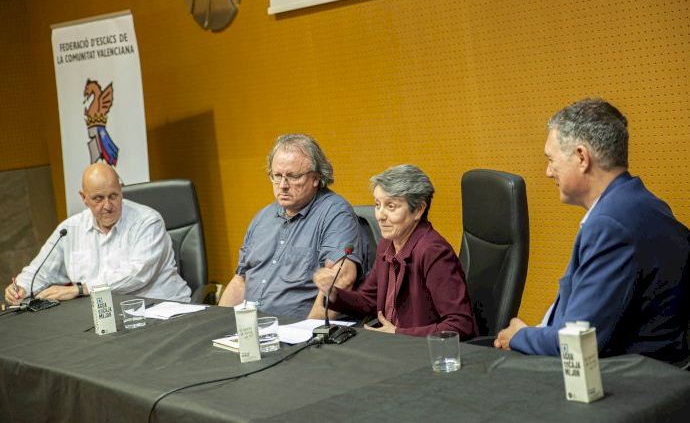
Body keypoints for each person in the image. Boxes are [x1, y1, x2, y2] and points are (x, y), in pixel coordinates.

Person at [495, 98, 689, 363]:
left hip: (626, 383)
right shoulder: (643, 204)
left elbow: (578, 342)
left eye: (551, 160)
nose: (548, 172)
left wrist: (520, 336)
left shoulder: (611, 225)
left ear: (581, 157)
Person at [314, 165, 476, 338]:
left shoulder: (433, 252)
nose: (380, 215)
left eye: (391, 206)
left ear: (419, 210)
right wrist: (334, 293)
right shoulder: (387, 244)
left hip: (424, 352)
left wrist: (398, 333)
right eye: (377, 205)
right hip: (392, 345)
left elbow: (460, 324)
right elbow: (368, 300)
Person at [218, 134, 367, 319]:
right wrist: (217, 324)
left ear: (316, 178)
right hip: (253, 329)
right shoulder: (262, 217)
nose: (282, 185)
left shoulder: (335, 213)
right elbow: (241, 280)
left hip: (298, 332)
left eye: (293, 176)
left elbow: (342, 280)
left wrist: (309, 334)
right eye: (277, 176)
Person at [4, 163, 191, 305]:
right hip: (107, 317)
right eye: (98, 199)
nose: (108, 206)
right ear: (84, 198)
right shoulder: (70, 229)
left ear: (121, 191)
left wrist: (81, 289)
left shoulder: (148, 222)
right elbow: (41, 271)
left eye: (113, 196)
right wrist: (20, 287)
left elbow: (137, 275)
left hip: (161, 310)